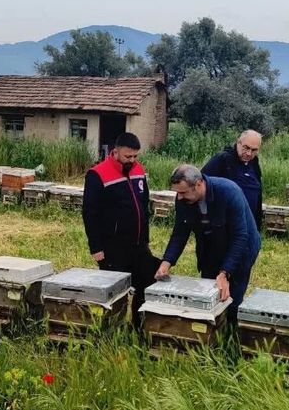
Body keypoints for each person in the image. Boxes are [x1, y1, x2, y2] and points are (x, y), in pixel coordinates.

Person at [154, 165, 261, 320]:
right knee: (207, 295)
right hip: (211, 247)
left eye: (183, 192)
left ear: (198, 184)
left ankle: (230, 336)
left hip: (242, 247)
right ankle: (208, 336)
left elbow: (240, 237)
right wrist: (166, 262)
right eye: (177, 193)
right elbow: (179, 233)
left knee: (231, 298)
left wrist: (225, 273)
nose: (180, 197)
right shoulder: (182, 200)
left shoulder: (229, 192)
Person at [82, 132, 159, 326]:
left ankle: (139, 326)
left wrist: (146, 239)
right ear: (115, 152)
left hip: (139, 245)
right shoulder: (97, 174)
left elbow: (144, 204)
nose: (132, 160)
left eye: (135, 156)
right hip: (112, 247)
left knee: (147, 283)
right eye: (128, 156)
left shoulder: (138, 170)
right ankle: (111, 329)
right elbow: (90, 213)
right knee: (115, 292)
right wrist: (96, 248)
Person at [201, 129, 264, 231]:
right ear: (238, 142)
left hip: (249, 225)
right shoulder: (223, 159)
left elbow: (258, 194)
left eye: (254, 150)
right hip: (226, 227)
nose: (248, 153)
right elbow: (201, 185)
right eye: (246, 148)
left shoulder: (254, 164)